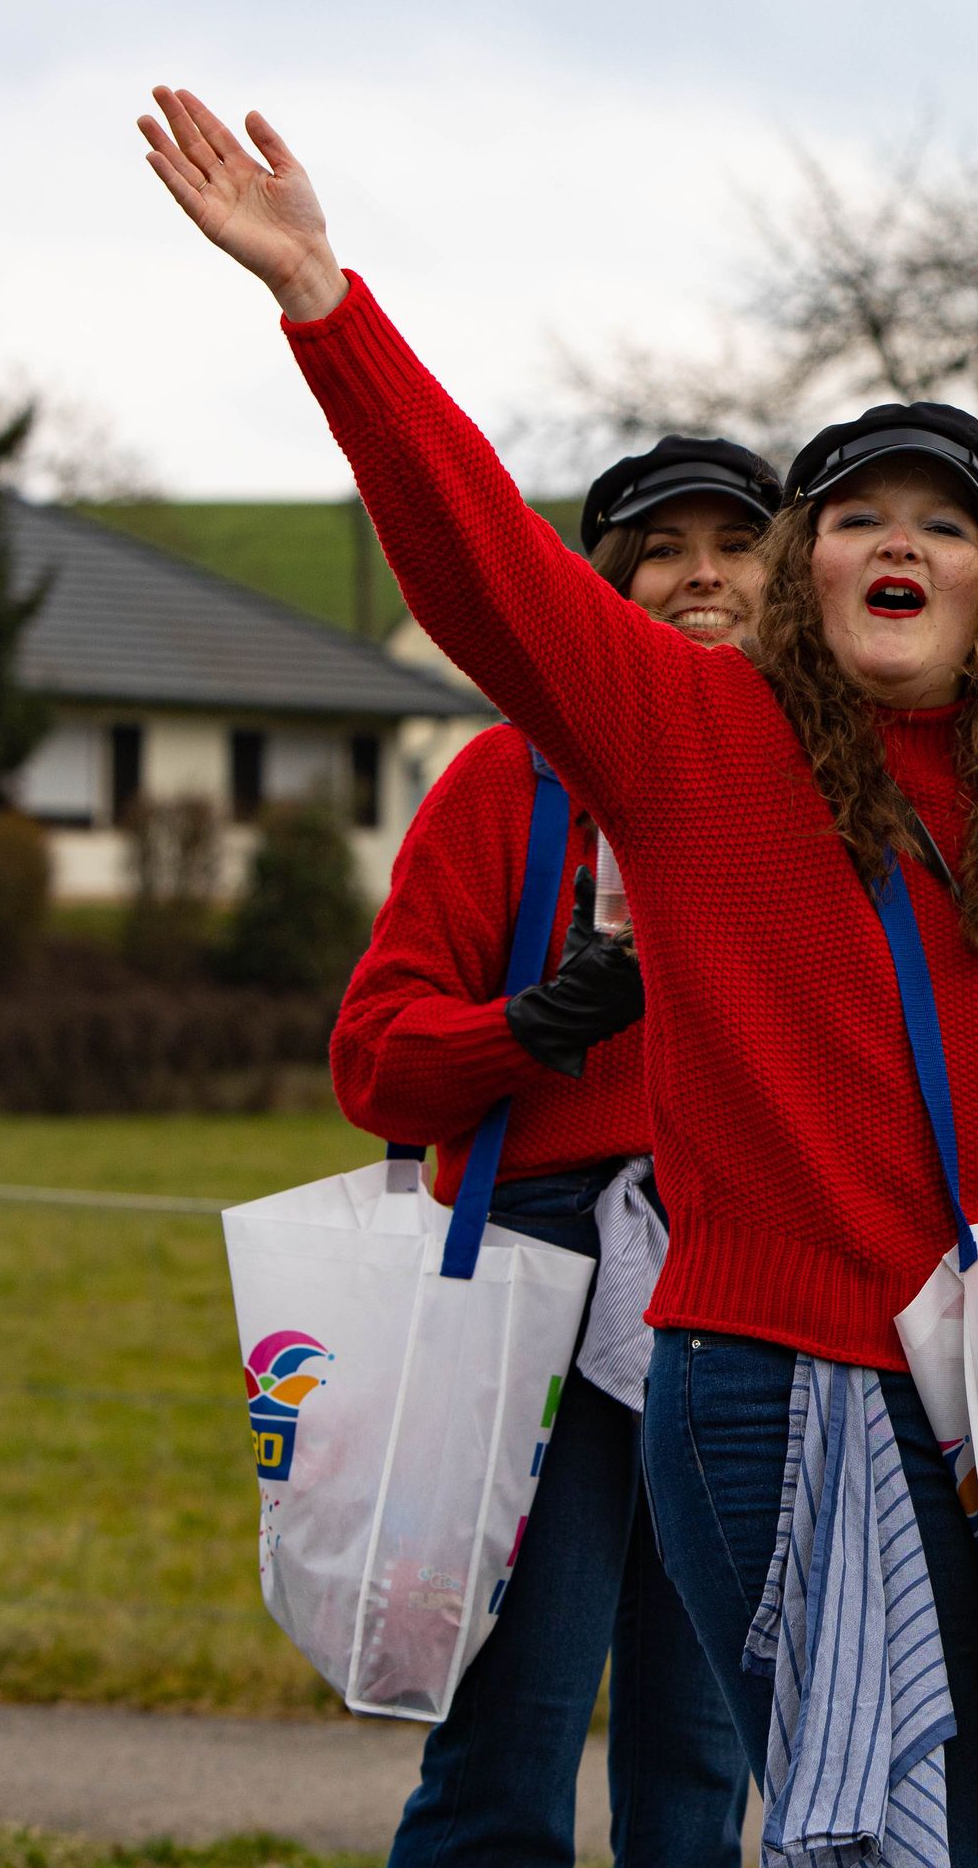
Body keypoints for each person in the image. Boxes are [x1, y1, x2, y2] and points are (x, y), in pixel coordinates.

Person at [142, 86, 978, 1866]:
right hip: (787, 1375)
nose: (901, 544)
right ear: (808, 567)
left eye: (949, 522)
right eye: (856, 516)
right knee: (864, 1837)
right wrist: (325, 310)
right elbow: (479, 568)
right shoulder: (689, 740)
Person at [332, 433, 777, 1867]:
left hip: (746, 1280)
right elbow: (372, 1063)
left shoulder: (821, 793)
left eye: (739, 544)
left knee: (704, 1756)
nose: (704, 575)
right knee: (511, 1733)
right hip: (542, 1276)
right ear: (605, 585)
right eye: (666, 548)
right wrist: (533, 1027)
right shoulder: (505, 788)